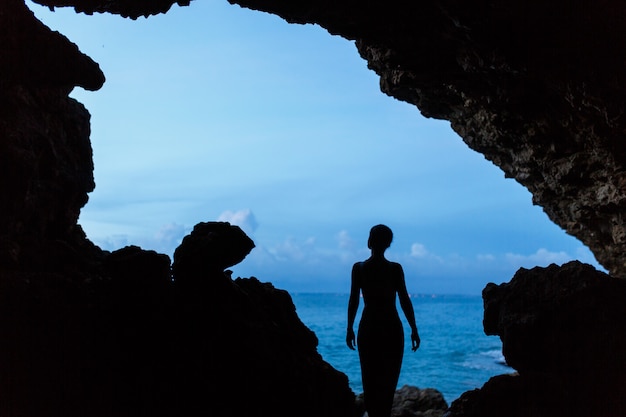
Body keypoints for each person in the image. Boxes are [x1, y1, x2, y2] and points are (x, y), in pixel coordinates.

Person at [346, 224, 420, 417]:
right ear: (388, 244)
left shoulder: (359, 268)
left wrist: (349, 327)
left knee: (370, 383)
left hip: (368, 328)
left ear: (369, 241)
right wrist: (414, 328)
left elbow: (354, 300)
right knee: (388, 385)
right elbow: (404, 299)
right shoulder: (395, 269)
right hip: (392, 329)